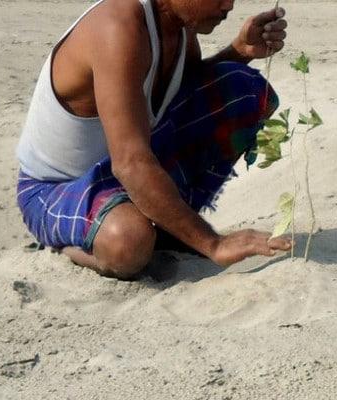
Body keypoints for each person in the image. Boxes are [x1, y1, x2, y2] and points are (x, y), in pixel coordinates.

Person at [16, 0, 292, 279]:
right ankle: (68, 245)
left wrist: (239, 51)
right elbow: (130, 164)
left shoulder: (178, 26)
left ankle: (165, 230)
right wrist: (214, 244)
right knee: (128, 240)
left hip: (119, 172)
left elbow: (184, 96)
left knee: (244, 91)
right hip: (53, 189)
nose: (228, 5)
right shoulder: (117, 28)